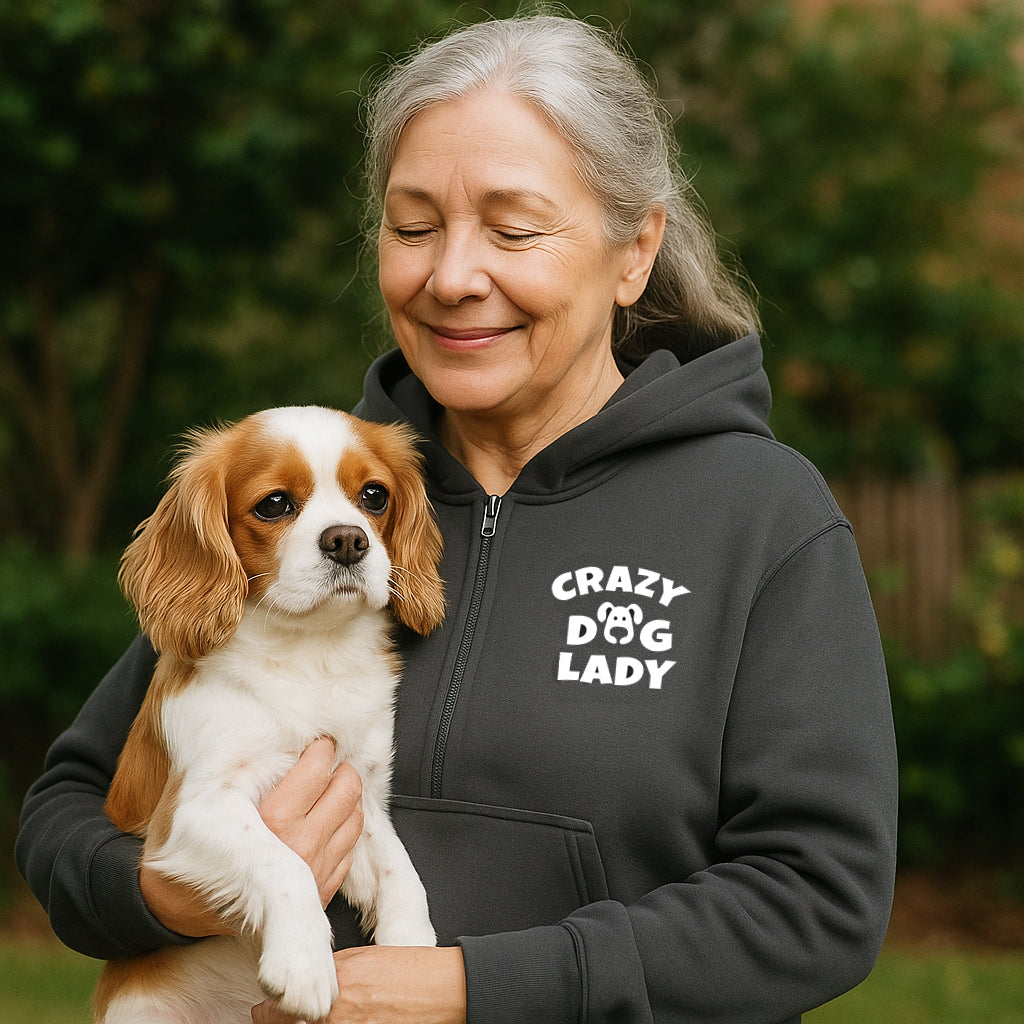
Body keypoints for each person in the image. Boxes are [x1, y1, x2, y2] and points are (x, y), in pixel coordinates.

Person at [16, 12, 898, 1024]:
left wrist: (479, 988)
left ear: (634, 251)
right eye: (414, 224)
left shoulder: (762, 519)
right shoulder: (310, 499)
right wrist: (161, 894)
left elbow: (818, 902)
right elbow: (69, 811)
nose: (450, 276)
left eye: (513, 228)